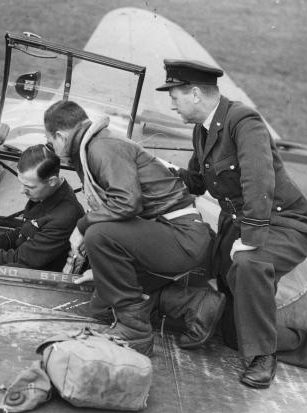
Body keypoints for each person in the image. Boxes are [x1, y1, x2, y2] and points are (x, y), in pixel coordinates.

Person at [156, 59, 307, 388]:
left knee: (250, 264)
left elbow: (259, 181)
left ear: (195, 94)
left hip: (285, 222)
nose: (171, 104)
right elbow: (197, 181)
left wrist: (250, 238)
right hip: (244, 223)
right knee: (233, 335)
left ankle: (263, 359)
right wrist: (158, 169)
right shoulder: (203, 130)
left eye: (175, 96)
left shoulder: (243, 121)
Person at [44, 100, 225, 356]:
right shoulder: (96, 145)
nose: (52, 147)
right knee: (101, 307)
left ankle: (135, 333)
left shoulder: (101, 148)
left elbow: (127, 204)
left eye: (51, 142)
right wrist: (107, 273)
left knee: (97, 234)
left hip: (181, 234)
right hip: (165, 233)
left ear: (60, 136)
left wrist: (82, 226)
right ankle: (196, 304)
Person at [0, 144, 84, 272]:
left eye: (29, 187)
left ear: (52, 181)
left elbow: (20, 261)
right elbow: (26, 230)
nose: (22, 191)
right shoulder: (47, 194)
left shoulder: (64, 217)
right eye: (21, 183)